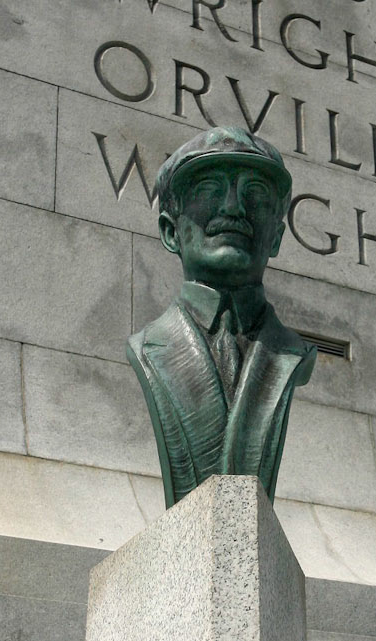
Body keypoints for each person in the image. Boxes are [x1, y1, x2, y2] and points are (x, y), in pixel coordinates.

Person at [128, 127, 317, 506]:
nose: (233, 208)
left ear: (277, 238)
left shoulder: (291, 353)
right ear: (170, 232)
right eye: (208, 190)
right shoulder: (150, 347)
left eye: (256, 194)